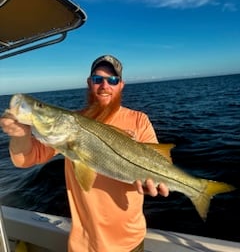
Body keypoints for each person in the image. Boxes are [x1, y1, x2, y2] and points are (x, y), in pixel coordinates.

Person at [0, 55, 169, 252]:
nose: (104, 85)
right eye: (98, 79)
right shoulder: (70, 124)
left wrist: (155, 184)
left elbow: (161, 163)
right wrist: (21, 135)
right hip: (84, 245)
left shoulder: (139, 120)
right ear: (89, 83)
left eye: (112, 80)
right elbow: (25, 159)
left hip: (130, 242)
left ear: (121, 85)